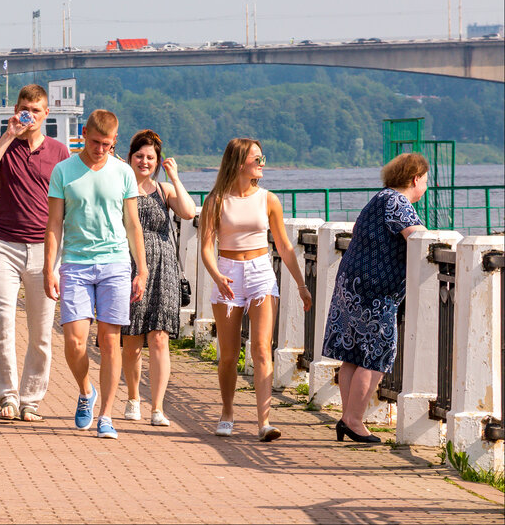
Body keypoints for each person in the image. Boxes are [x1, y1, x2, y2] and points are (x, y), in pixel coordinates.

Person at [200, 138, 312, 442]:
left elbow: (285, 246)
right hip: (228, 274)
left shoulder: (268, 199)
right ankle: (227, 411)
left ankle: (264, 421)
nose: (262, 164)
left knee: (262, 348)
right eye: (257, 159)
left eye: (262, 159)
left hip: (261, 273)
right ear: (239, 163)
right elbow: (207, 247)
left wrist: (301, 285)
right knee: (228, 353)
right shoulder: (216, 200)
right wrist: (217, 274)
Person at [44, 110, 146, 439]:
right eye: (94, 142)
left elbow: (132, 224)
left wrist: (140, 268)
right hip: (75, 263)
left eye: (107, 144)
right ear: (83, 134)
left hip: (115, 263)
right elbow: (54, 224)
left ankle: (106, 417)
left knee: (110, 341)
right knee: (74, 342)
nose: (100, 149)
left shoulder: (123, 173)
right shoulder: (63, 171)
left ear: (115, 142)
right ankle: (86, 391)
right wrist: (50, 267)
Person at [0, 83, 69, 423]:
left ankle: (31, 399)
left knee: (42, 331)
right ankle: (8, 397)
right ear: (16, 109)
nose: (31, 116)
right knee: (2, 322)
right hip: (4, 245)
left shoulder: (59, 152)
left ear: (46, 114)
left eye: (37, 111)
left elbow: (71, 198)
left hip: (45, 249)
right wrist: (9, 136)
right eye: (25, 110)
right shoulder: (2, 144)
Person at [322, 153, 428, 444]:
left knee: (353, 355)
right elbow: (418, 236)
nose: (426, 186)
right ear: (416, 178)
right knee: (377, 357)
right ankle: (353, 420)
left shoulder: (378, 199)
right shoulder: (398, 202)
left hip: (352, 285)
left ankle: (349, 418)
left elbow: (357, 231)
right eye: (426, 180)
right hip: (375, 292)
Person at [120, 130, 196, 427]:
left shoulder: (163, 191)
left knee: (160, 338)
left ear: (158, 160)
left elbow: (189, 212)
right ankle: (133, 398)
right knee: (132, 338)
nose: (144, 161)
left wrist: (175, 178)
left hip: (164, 268)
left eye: (150, 157)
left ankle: (158, 407)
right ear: (130, 157)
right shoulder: (122, 189)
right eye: (139, 156)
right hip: (131, 265)